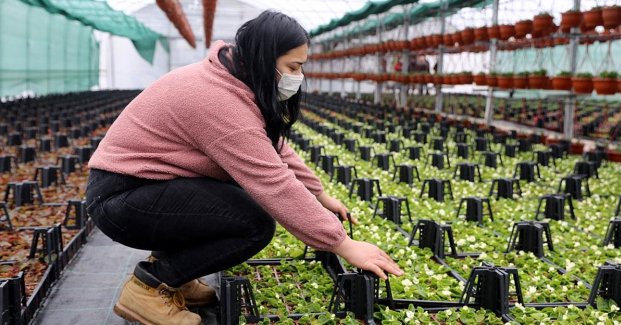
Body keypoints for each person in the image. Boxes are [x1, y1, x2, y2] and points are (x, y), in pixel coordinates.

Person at [85, 10, 403, 325]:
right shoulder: (218, 101)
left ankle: (177, 277)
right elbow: (272, 181)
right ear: (265, 59)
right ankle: (149, 286)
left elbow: (274, 147)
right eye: (293, 67)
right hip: (122, 200)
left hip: (141, 190)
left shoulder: (230, 80)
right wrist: (343, 244)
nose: (298, 77)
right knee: (253, 223)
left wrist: (319, 195)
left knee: (235, 199)